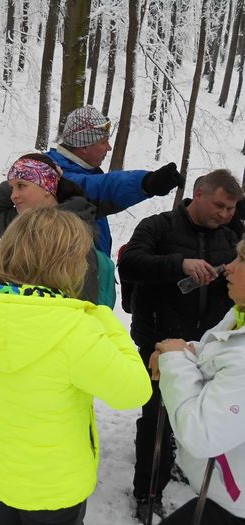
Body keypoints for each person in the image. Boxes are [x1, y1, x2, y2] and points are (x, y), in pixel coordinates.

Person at [0, 206, 152, 525]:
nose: (84, 264)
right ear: (63, 263)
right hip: (52, 486)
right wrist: (103, 316)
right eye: (81, 256)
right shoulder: (76, 328)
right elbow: (134, 391)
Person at [118, 169, 242, 521]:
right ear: (198, 194)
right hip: (160, 341)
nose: (225, 214)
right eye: (219, 205)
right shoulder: (158, 226)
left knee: (197, 415)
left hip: (207, 347)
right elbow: (130, 264)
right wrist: (179, 264)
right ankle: (148, 491)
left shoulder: (231, 235)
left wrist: (223, 277)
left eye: (231, 208)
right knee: (156, 419)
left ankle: (183, 465)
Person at [149, 238, 245, 525]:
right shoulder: (238, 315)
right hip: (222, 491)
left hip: (233, 502)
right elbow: (217, 355)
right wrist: (181, 350)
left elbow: (202, 436)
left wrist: (175, 359)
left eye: (242, 260)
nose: (228, 267)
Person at [0, 152, 115, 307]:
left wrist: (47, 175)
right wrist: (18, 178)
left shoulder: (73, 231)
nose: (13, 196)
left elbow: (85, 299)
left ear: (48, 187)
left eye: (21, 186)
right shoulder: (21, 223)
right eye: (11, 188)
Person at [47, 105, 184, 256]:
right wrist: (146, 182)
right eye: (103, 142)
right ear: (84, 146)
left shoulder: (81, 170)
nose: (109, 148)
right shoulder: (55, 175)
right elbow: (98, 187)